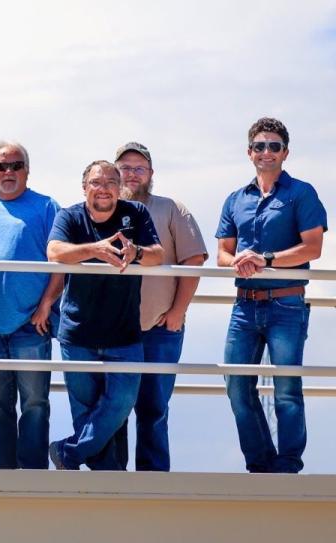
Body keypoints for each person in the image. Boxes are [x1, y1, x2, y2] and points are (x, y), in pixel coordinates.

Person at [217, 117, 326, 474]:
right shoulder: (236, 199)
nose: (267, 152)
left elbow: (313, 248)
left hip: (287, 304)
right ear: (249, 152)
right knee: (236, 385)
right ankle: (261, 463)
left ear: (285, 153)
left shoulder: (301, 193)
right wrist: (239, 261)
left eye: (274, 146)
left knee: (286, 390)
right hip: (244, 306)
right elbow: (222, 254)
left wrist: (265, 260)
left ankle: (288, 464)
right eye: (260, 146)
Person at [47, 160, 164, 471]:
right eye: (96, 183)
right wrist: (94, 250)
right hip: (78, 334)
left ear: (119, 187)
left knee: (122, 403)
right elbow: (54, 252)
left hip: (124, 334)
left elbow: (158, 255)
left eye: (111, 182)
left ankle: (68, 453)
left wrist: (136, 252)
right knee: (85, 411)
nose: (103, 189)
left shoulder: (135, 213)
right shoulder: (70, 216)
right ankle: (107, 477)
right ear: (84, 187)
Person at [110, 142, 208, 471]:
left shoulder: (172, 209)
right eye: (125, 168)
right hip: (113, 330)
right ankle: (111, 479)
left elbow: (193, 260)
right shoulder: (102, 209)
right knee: (114, 408)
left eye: (139, 168)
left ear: (151, 173)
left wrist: (178, 312)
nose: (132, 174)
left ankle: (153, 480)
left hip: (160, 328)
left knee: (153, 409)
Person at [0, 141, 62, 470]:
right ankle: (4, 474)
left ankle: (33, 475)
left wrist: (46, 305)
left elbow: (61, 264)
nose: (8, 172)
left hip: (31, 323)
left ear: (27, 171)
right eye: (1, 166)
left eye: (16, 165)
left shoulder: (46, 207)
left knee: (35, 403)